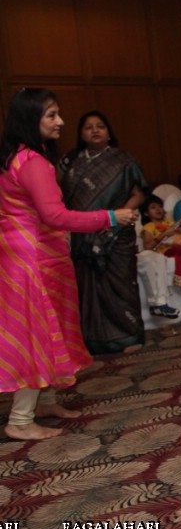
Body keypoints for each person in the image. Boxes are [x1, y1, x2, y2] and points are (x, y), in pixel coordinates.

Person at [1, 88, 139, 440]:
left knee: (46, 329)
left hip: (26, 253)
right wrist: (111, 216)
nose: (60, 121)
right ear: (30, 119)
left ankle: (44, 401)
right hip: (34, 258)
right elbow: (54, 215)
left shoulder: (14, 157)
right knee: (36, 332)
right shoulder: (32, 161)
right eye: (51, 115)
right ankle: (20, 420)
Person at [58, 110, 147, 354]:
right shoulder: (71, 162)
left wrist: (119, 217)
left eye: (100, 126)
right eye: (88, 127)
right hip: (81, 234)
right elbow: (60, 199)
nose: (95, 130)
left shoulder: (123, 160)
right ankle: (94, 340)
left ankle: (128, 337)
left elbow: (138, 194)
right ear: (81, 133)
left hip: (117, 234)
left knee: (120, 284)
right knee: (87, 286)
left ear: (109, 132)